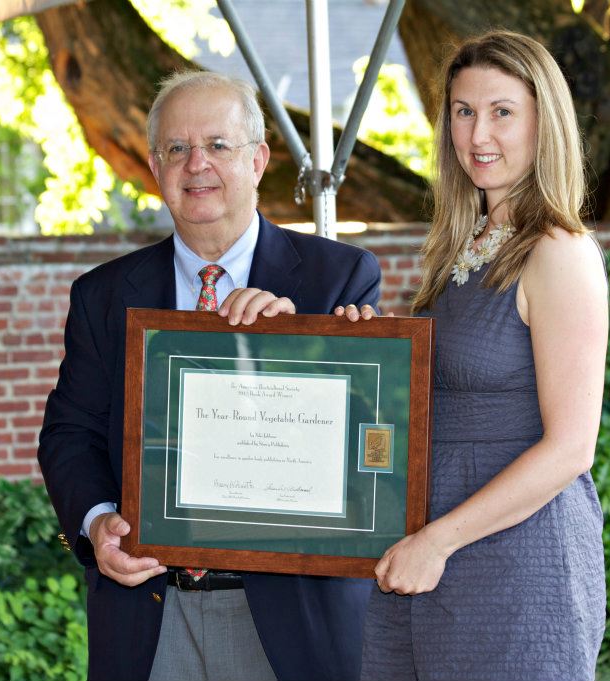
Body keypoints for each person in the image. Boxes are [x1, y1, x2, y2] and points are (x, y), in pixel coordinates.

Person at [37, 70, 380, 681]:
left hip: (290, 619)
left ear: (259, 160)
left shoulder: (338, 280)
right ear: (155, 166)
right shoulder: (102, 295)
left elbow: (371, 452)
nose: (196, 164)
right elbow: (70, 433)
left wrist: (298, 350)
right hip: (149, 616)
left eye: (218, 145)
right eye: (177, 148)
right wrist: (96, 523)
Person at [343, 31, 608, 680]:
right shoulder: (463, 246)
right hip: (426, 551)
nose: (478, 134)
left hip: (515, 565)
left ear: (544, 123)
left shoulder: (559, 252)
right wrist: (366, 352)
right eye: (463, 111)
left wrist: (437, 541)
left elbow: (571, 449)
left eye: (502, 112)